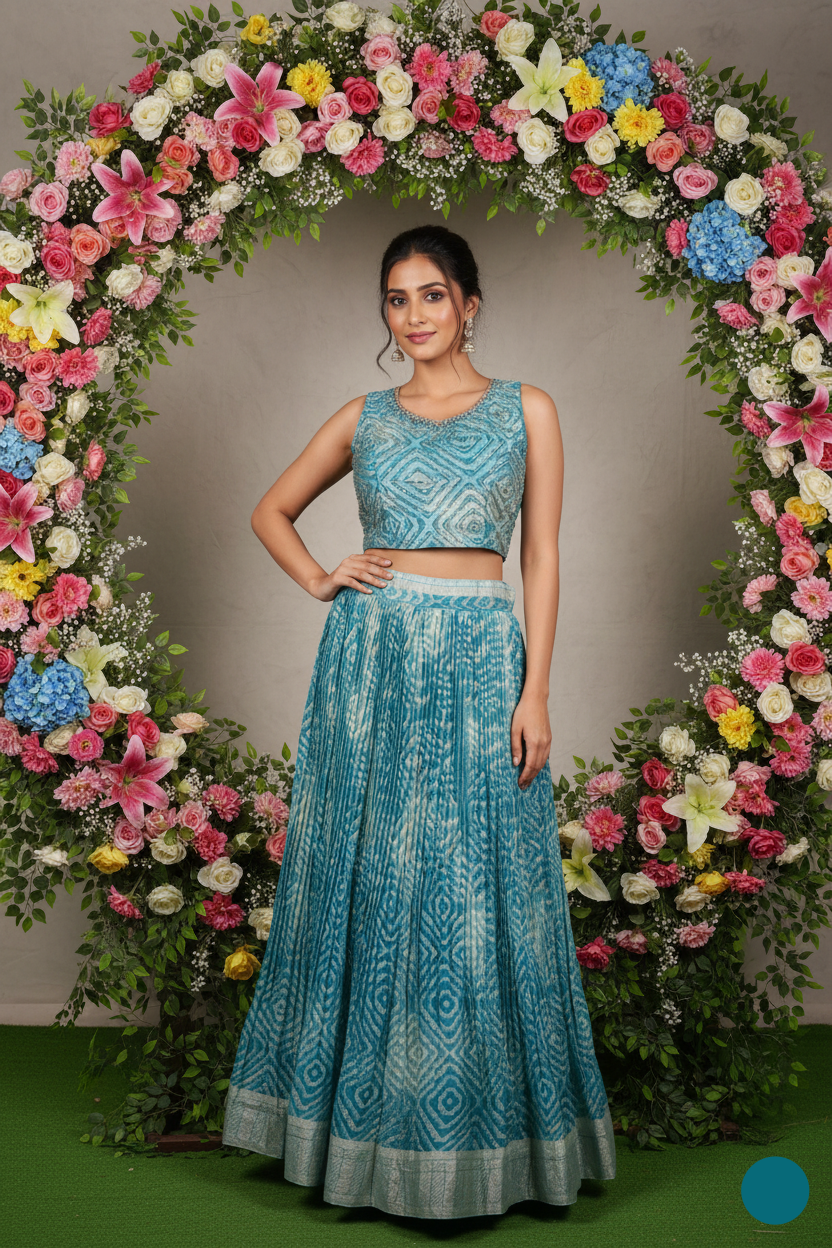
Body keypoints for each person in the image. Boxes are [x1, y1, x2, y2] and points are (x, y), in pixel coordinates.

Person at [221, 224, 616, 1217]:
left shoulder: (529, 410)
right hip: (372, 662)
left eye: (432, 294)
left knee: (476, 887)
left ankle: (488, 1140)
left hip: (485, 660)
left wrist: (538, 691)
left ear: (469, 302)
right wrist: (322, 576)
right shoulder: (364, 415)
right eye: (396, 299)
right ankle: (354, 1137)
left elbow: (543, 559)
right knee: (375, 880)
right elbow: (271, 510)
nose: (414, 315)